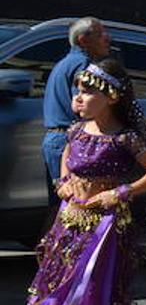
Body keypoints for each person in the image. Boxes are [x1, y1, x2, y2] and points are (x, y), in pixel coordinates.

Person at [28, 59, 146, 305]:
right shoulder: (77, 130)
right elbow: (67, 157)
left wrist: (121, 193)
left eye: (88, 91)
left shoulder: (124, 139)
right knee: (63, 289)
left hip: (104, 228)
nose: (79, 97)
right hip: (71, 221)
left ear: (112, 97)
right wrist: (63, 182)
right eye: (78, 90)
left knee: (90, 290)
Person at [40, 17, 111, 205]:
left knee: (59, 207)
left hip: (56, 139)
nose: (107, 38)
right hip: (67, 141)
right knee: (74, 206)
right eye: (100, 34)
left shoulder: (66, 62)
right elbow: (84, 109)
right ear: (83, 40)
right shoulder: (83, 65)